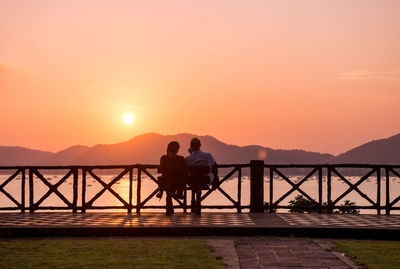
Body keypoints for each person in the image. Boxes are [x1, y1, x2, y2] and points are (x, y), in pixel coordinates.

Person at [158, 141, 186, 215]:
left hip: (166, 182)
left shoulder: (164, 158)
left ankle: (162, 193)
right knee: (178, 179)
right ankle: (180, 193)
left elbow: (161, 169)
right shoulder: (181, 159)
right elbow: (184, 171)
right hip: (178, 183)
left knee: (166, 182)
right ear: (177, 149)